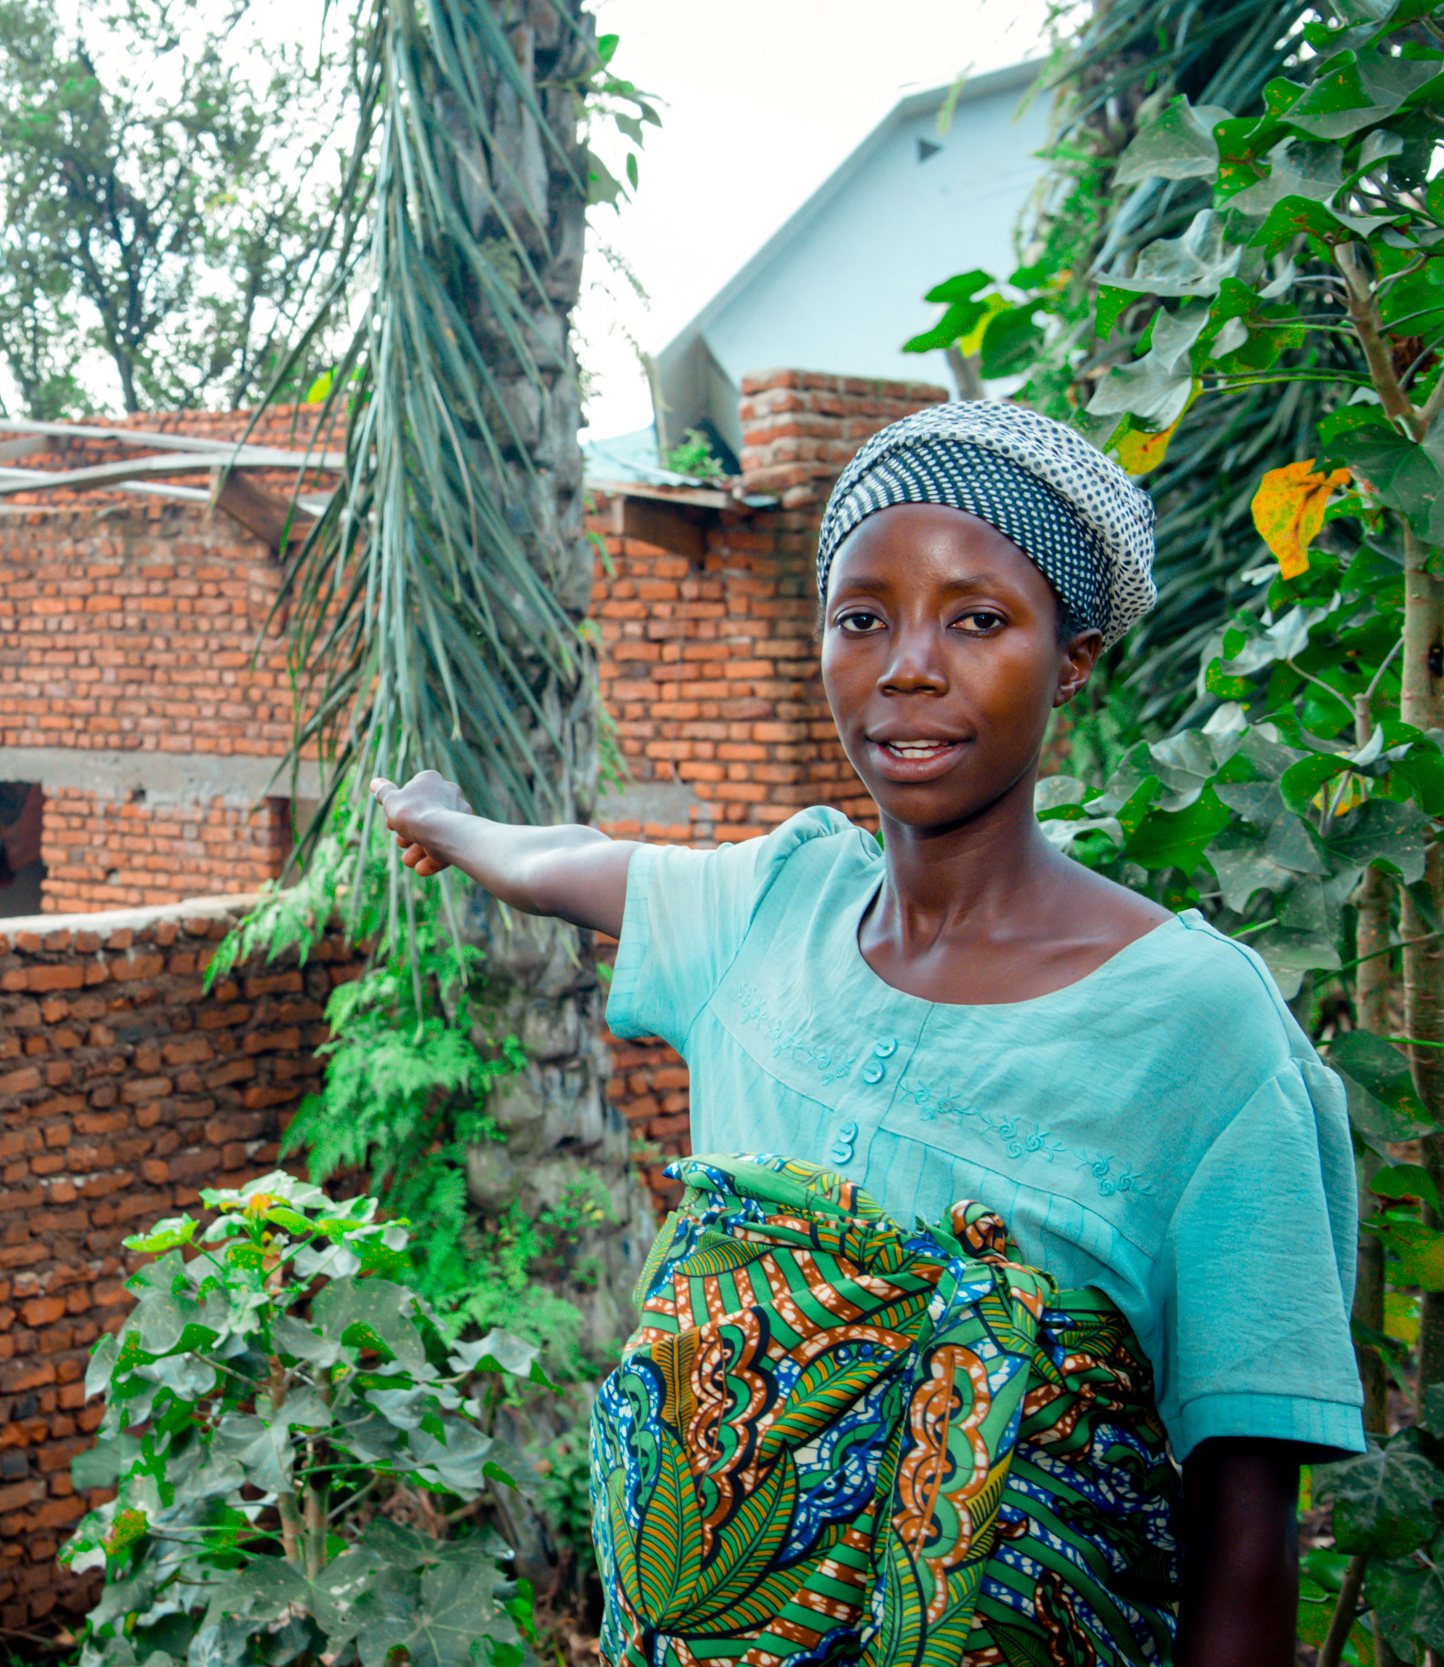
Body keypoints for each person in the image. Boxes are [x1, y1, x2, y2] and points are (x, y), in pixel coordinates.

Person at [371, 398, 1362, 1667]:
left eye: (978, 618)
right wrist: (454, 824)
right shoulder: (775, 904)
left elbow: (1245, 1540)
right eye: (862, 618)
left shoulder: (1203, 1037)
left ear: (1076, 657)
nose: (907, 665)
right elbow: (572, 858)